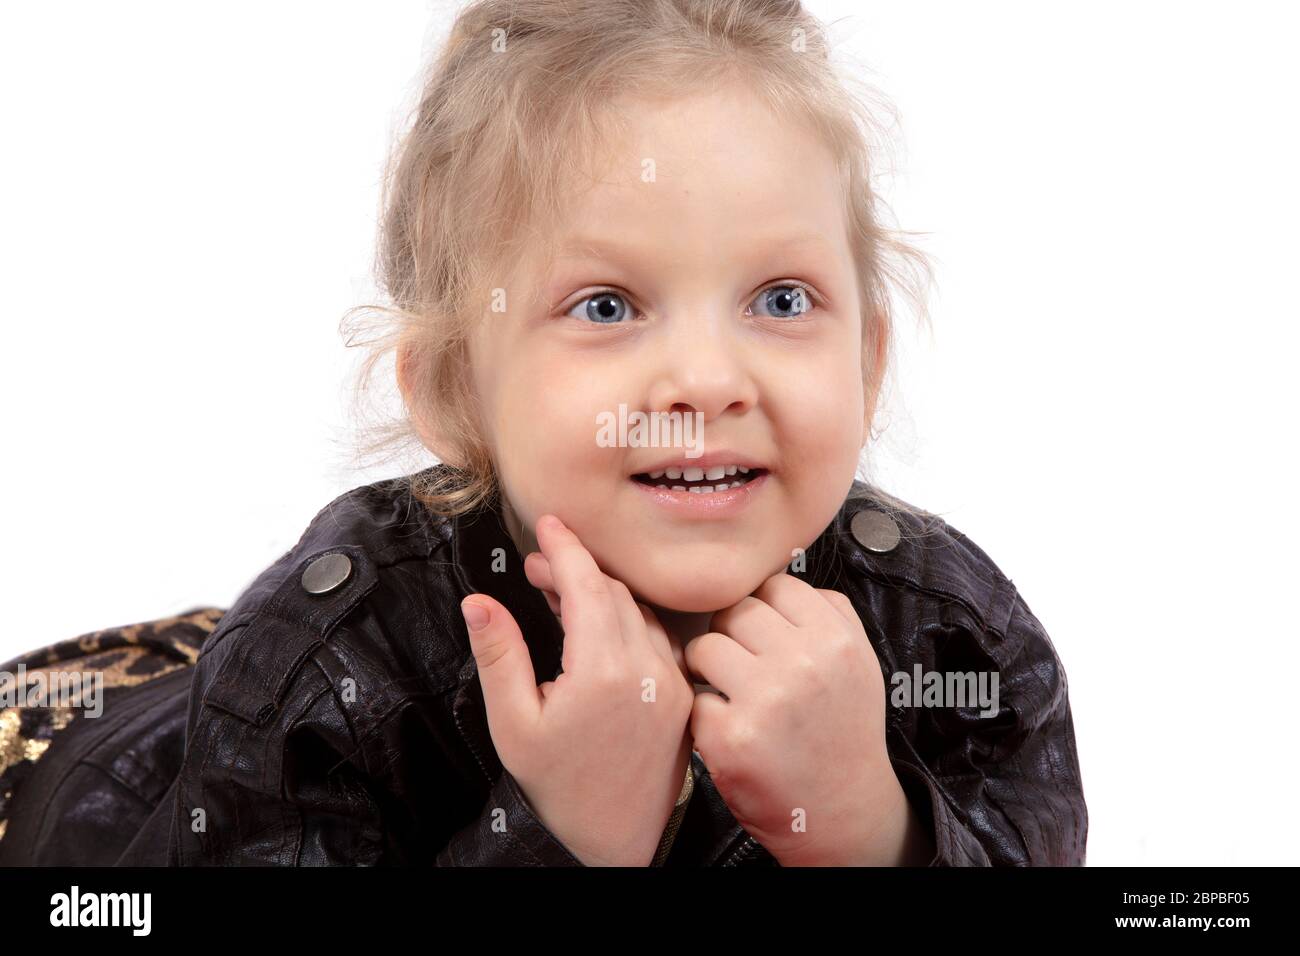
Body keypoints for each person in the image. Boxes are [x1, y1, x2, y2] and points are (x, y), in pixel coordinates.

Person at [0, 0, 1087, 866]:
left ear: (867, 358)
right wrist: (562, 835)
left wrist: (872, 828)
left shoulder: (947, 633)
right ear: (455, 391)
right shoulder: (325, 667)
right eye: (607, 306)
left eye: (783, 299)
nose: (709, 377)